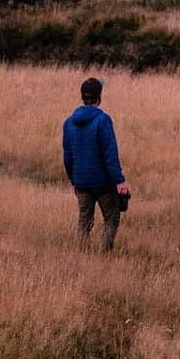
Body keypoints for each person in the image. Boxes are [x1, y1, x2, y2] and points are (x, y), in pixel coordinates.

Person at [62, 77, 130, 251]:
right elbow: (110, 155)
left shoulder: (69, 122)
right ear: (99, 97)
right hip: (103, 182)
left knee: (84, 221)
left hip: (81, 181)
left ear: (83, 97)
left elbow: (68, 156)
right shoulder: (103, 120)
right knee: (111, 218)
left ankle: (82, 253)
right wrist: (120, 180)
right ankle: (104, 253)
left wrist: (73, 179)